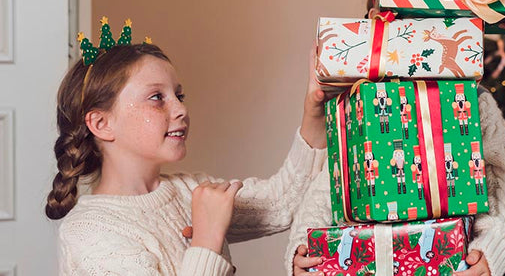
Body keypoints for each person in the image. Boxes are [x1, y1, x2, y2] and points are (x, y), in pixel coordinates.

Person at [288, 0, 505, 276]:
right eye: (399, 18)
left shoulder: (472, 100)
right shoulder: (357, 103)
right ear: (377, 22)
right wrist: (303, 249)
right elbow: (326, 189)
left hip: (449, 261)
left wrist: (489, 252)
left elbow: (500, 181)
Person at [47, 19, 327, 275]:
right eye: (157, 97)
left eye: (179, 95)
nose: (181, 108)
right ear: (101, 123)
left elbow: (281, 204)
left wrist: (313, 110)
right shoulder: (88, 232)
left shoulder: (190, 191)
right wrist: (207, 238)